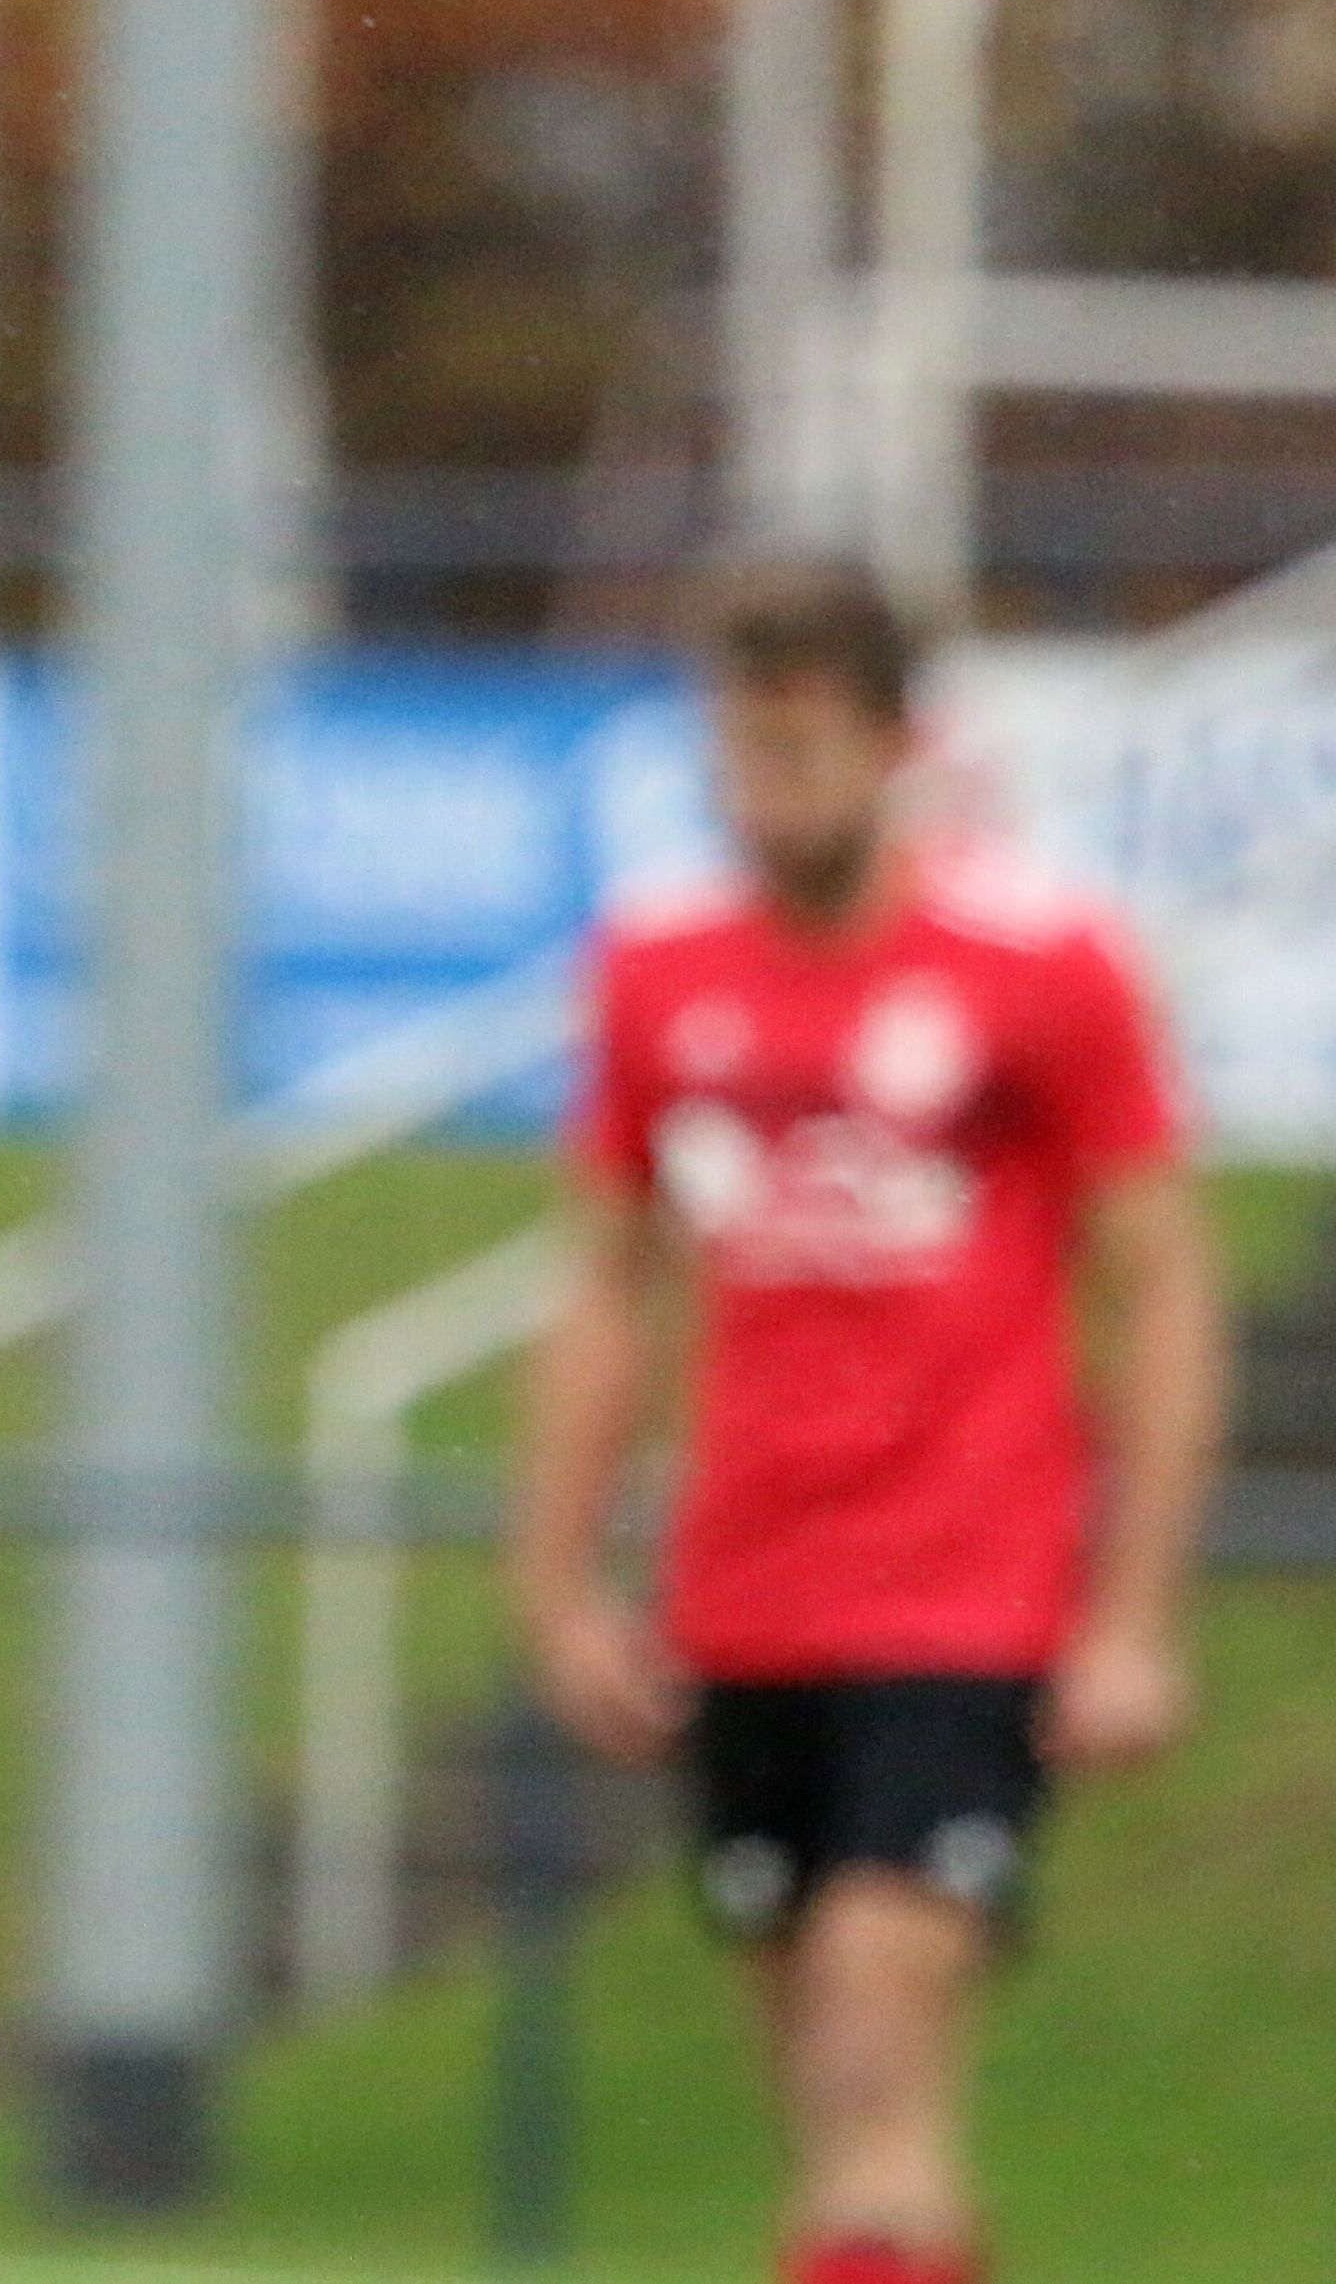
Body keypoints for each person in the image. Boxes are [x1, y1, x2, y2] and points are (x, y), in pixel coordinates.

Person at [510, 557, 1224, 2284]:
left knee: (869, 2015)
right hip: (748, 1598)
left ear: (904, 744)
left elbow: (1166, 1284)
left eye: (806, 750)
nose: (767, 794)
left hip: (963, 1597)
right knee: (850, 2122)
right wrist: (554, 1587)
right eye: (739, 755)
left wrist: (1130, 1618)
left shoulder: (1041, 973)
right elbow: (607, 1290)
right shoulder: (657, 980)